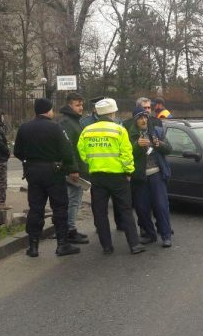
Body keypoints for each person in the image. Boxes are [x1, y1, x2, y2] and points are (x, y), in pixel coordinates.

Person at [13, 98, 80, 258]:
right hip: (53, 172)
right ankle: (62, 244)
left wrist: (28, 160)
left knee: (36, 209)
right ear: (48, 110)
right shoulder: (55, 127)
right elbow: (66, 151)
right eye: (51, 109)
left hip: (33, 172)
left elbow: (17, 151)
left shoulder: (24, 128)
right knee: (59, 207)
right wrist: (70, 167)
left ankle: (33, 246)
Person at [77, 98, 145, 255]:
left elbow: (82, 152)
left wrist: (92, 163)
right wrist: (128, 172)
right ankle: (134, 245)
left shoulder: (87, 131)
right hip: (119, 177)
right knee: (125, 210)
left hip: (97, 177)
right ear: (112, 113)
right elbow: (126, 154)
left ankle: (106, 246)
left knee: (100, 212)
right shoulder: (119, 130)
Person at [127, 106, 173, 247]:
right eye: (140, 118)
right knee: (141, 207)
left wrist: (159, 144)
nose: (143, 120)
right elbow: (126, 154)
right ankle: (149, 234)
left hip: (156, 174)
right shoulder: (130, 135)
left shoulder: (157, 131)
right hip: (140, 177)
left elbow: (169, 149)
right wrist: (136, 145)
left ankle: (166, 236)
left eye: (145, 117)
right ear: (135, 120)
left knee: (161, 206)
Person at [57, 92, 89, 244]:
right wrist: (73, 169)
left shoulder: (74, 121)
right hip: (71, 169)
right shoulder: (66, 122)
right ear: (69, 105)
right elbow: (68, 147)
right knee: (73, 200)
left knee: (75, 199)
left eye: (82, 104)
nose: (81, 107)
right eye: (78, 105)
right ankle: (69, 230)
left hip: (76, 167)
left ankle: (71, 228)